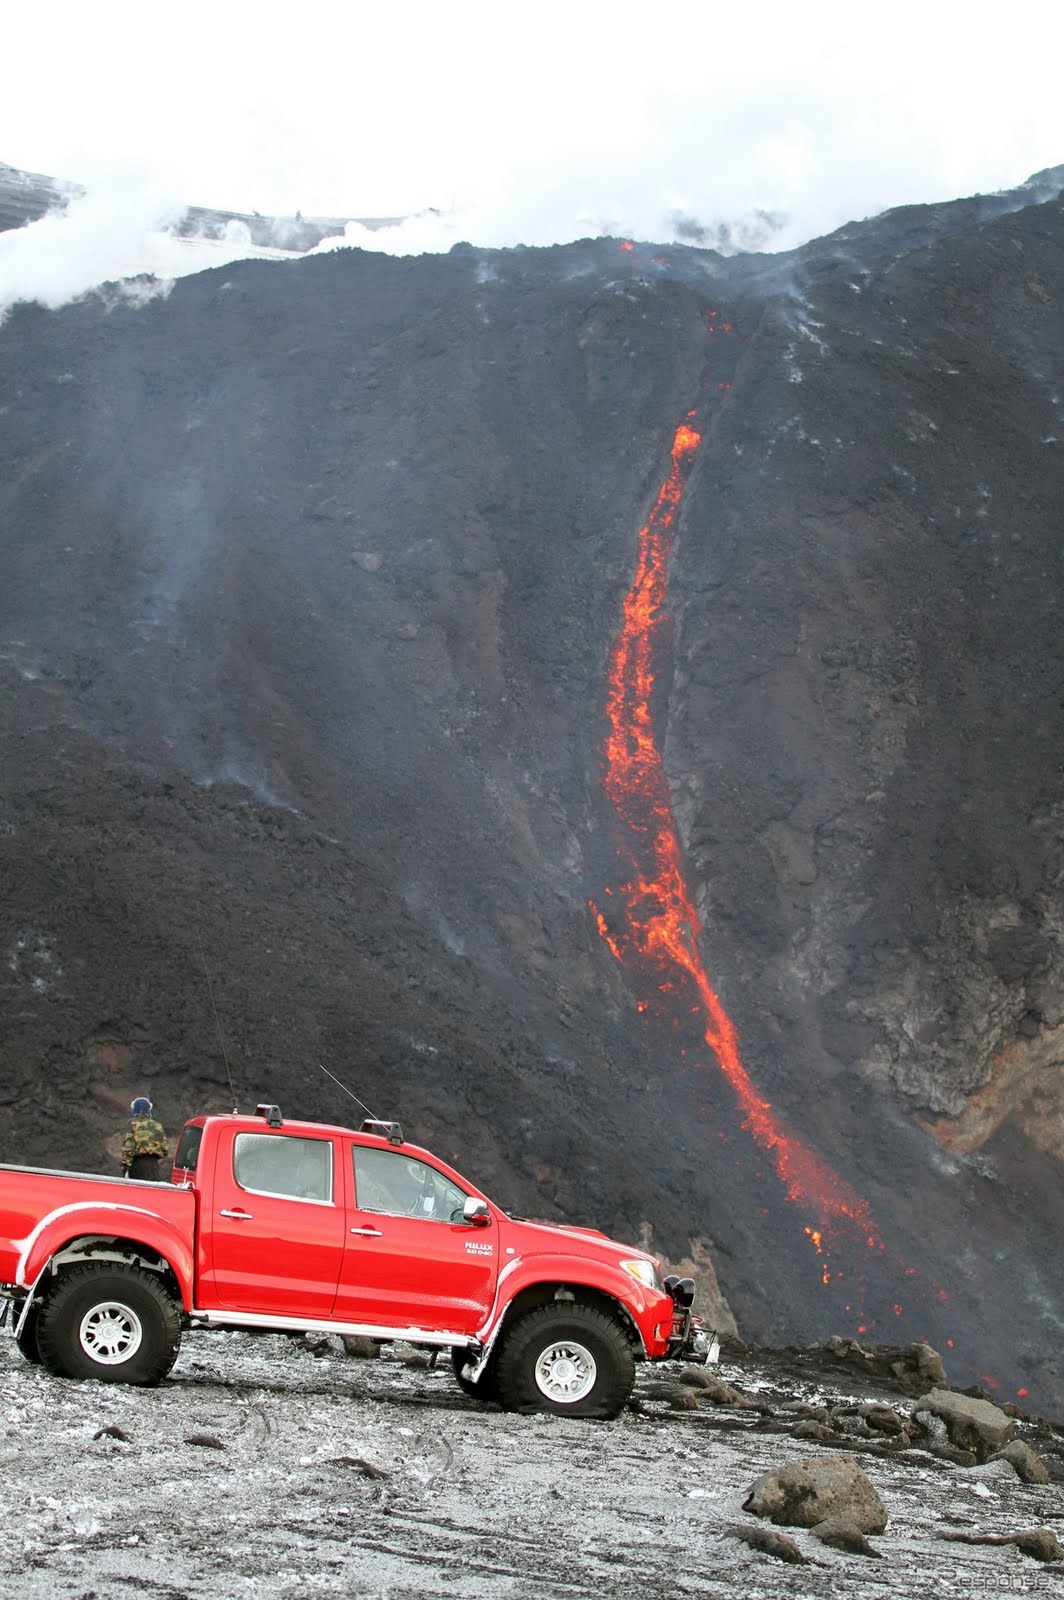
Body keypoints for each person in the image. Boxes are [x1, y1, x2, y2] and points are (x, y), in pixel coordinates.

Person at [121, 1097, 169, 1181]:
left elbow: (129, 1146)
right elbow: (165, 1149)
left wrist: (125, 1166)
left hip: (137, 1164)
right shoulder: (157, 1125)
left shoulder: (132, 1123)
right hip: (153, 1165)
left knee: (137, 1191)